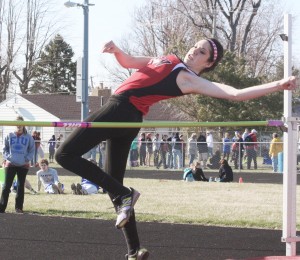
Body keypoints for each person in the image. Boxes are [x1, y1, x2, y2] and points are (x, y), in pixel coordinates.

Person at [55, 38, 296, 259]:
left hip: (120, 109)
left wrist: (278, 85)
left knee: (64, 154)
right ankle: (134, 251)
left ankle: (125, 195)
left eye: (201, 52)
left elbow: (235, 94)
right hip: (129, 120)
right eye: (195, 45)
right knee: (115, 186)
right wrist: (117, 52)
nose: (194, 50)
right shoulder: (166, 59)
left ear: (209, 62)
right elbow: (129, 62)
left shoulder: (188, 78)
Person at [0, 116, 35, 213]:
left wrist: (26, 159)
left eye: (20, 123)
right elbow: (4, 149)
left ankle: (18, 208)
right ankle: (1, 208)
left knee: (20, 186)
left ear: (23, 124)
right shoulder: (9, 135)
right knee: (6, 186)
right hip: (11, 164)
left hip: (23, 165)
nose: (18, 125)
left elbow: (32, 150)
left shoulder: (28, 137)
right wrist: (9, 157)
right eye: (16, 123)